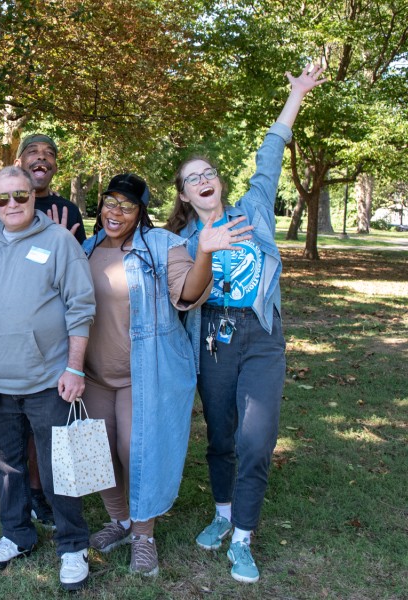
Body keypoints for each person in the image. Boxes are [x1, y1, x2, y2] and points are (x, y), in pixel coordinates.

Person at [165, 64, 326, 583]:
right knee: (219, 436)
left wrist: (297, 93)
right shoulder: (183, 241)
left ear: (218, 182)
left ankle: (243, 538)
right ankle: (222, 513)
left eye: (207, 173)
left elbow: (271, 150)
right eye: (192, 179)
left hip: (260, 336)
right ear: (185, 196)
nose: (203, 181)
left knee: (257, 440)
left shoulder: (253, 209)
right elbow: (186, 296)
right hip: (213, 338)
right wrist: (204, 251)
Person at [81, 173, 251, 575]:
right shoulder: (85, 248)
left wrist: (206, 253)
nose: (115, 212)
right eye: (109, 202)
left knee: (136, 452)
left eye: (126, 205)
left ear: (141, 213)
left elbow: (189, 293)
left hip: (145, 372)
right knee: (96, 450)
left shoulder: (161, 246)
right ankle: (118, 520)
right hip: (92, 373)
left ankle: (143, 535)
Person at [0, 166, 95, 591]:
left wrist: (75, 368)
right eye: (3, 198)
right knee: (6, 466)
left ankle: (73, 546)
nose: (12, 205)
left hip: (50, 378)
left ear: (33, 195)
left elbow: (82, 309)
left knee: (58, 467)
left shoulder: (60, 242)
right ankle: (16, 534)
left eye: (20, 196)